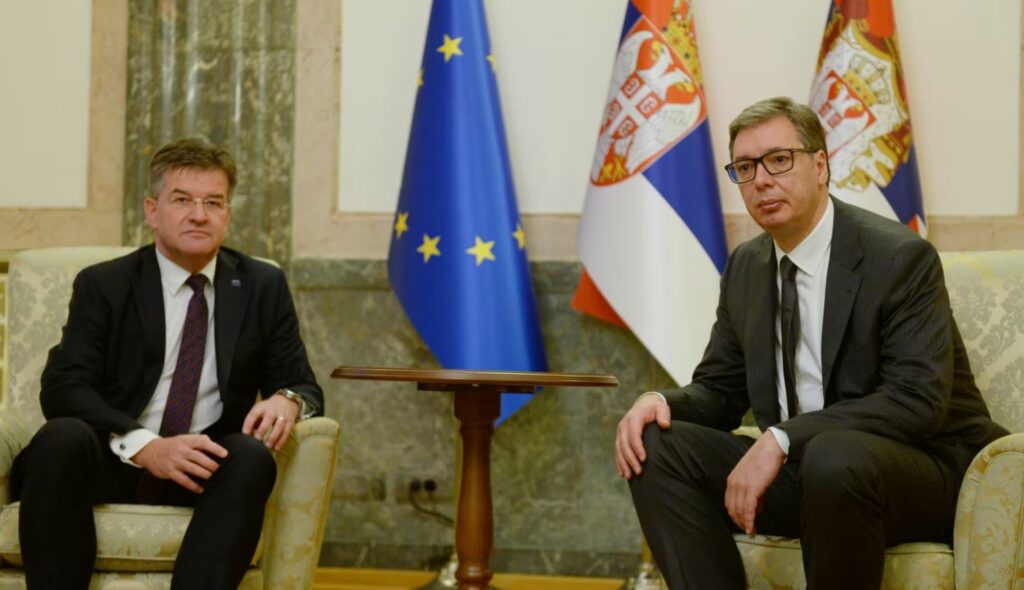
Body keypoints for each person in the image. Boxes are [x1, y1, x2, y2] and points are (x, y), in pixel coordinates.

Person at [614, 97, 1007, 589]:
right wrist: (660, 402)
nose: (761, 180)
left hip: (924, 471)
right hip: (810, 473)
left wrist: (782, 438)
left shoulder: (898, 258)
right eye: (745, 167)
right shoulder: (746, 266)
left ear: (820, 166)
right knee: (656, 445)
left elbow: (916, 401)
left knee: (831, 456)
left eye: (779, 160)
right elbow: (720, 391)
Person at [10, 137, 324, 589]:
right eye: (182, 200)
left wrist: (287, 399)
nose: (199, 214)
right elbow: (64, 387)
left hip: (200, 467)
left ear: (227, 214)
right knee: (62, 437)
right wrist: (146, 446)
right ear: (152, 211)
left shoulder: (261, 285)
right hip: (113, 457)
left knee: (251, 457)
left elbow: (303, 384)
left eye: (213, 202)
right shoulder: (105, 284)